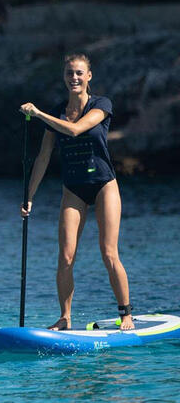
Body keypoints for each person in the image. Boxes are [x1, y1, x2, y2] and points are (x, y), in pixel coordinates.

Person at [19, 53, 133, 331]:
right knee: (66, 256)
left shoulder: (101, 105)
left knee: (108, 253)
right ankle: (65, 316)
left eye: (79, 73)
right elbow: (43, 158)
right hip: (73, 188)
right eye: (70, 73)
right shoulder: (57, 113)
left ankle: (126, 313)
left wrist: (38, 114)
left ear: (89, 76)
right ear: (64, 77)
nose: (74, 78)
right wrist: (29, 197)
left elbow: (75, 130)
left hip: (104, 184)